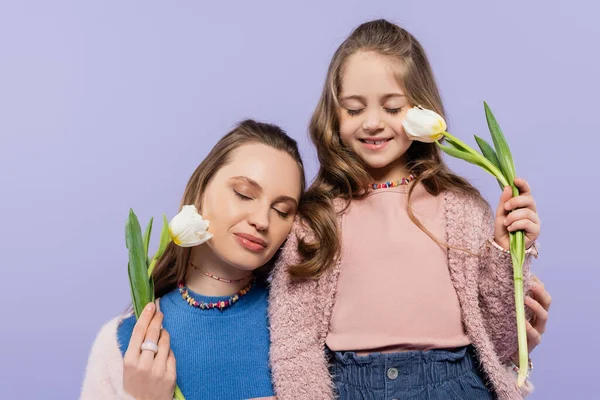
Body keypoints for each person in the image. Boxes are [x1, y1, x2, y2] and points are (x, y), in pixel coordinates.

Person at [268, 20, 547, 399]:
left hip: (456, 384)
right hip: (350, 387)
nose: (371, 122)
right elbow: (293, 343)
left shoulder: (463, 208)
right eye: (353, 109)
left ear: (421, 108)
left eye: (392, 107)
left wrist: (506, 252)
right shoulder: (316, 218)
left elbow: (498, 342)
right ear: (334, 115)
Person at [81, 119, 304, 400]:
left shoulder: (303, 329)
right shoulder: (122, 341)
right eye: (244, 194)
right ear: (200, 190)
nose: (262, 220)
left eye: (282, 211)